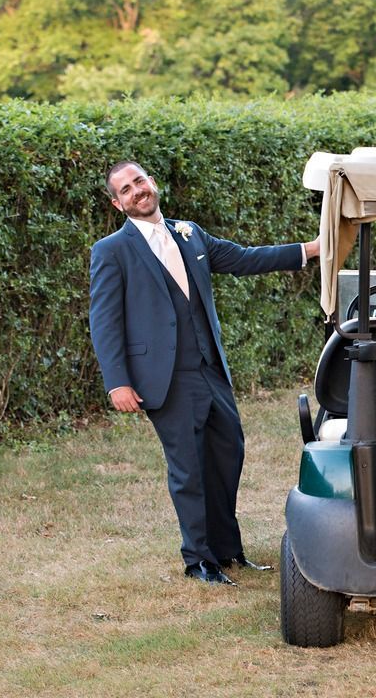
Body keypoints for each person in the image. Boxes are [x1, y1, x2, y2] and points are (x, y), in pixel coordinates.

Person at [89, 160, 320, 586]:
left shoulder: (189, 232)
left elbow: (243, 258)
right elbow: (104, 321)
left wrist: (309, 249)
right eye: (125, 189)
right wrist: (117, 381)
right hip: (165, 379)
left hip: (210, 370)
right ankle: (198, 559)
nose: (136, 190)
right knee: (189, 468)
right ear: (117, 203)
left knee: (227, 453)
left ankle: (228, 551)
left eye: (139, 181)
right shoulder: (111, 251)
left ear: (152, 183)